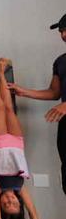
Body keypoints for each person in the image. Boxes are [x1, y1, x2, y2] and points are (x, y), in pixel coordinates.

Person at [8, 14, 66, 197]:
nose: (63, 34)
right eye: (61, 31)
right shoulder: (60, 61)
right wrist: (23, 91)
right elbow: (54, 93)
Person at [0, 58, 43, 219]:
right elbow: (32, 209)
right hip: (17, 143)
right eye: (14, 204)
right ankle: (2, 73)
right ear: (20, 203)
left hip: (1, 143)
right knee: (9, 108)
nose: (10, 200)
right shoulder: (20, 186)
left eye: (6, 204)